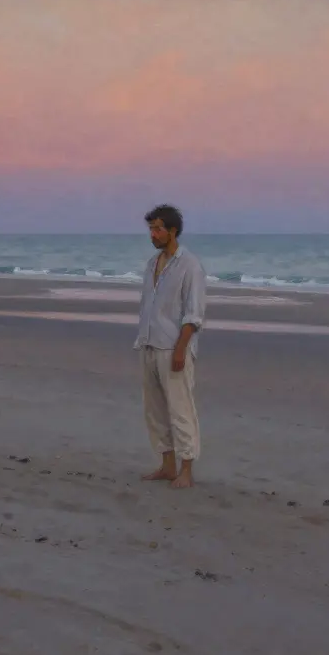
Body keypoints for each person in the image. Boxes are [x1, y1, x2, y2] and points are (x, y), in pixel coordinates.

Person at [135, 204, 206, 489]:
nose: (152, 234)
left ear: (172, 230)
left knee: (180, 409)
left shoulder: (190, 265)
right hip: (149, 343)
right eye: (151, 229)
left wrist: (181, 349)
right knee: (154, 410)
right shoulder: (152, 264)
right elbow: (147, 307)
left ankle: (186, 469)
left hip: (173, 347)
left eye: (157, 229)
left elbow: (194, 313)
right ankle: (166, 465)